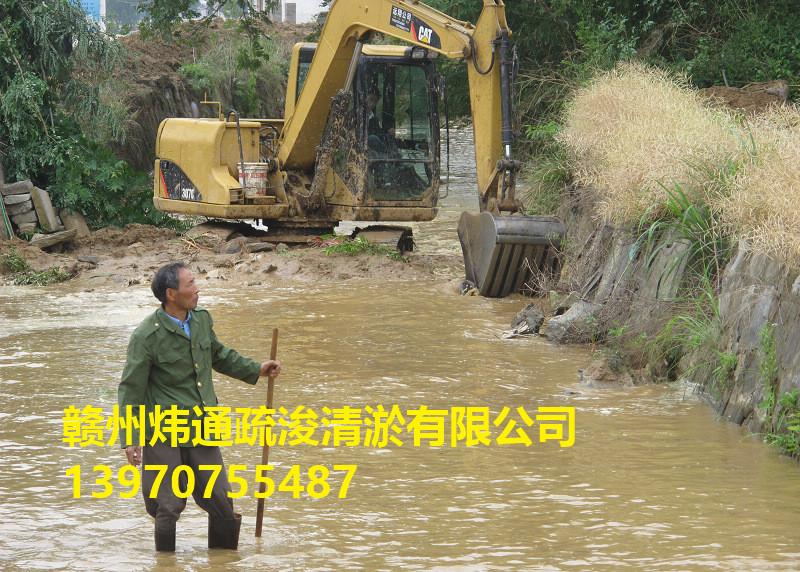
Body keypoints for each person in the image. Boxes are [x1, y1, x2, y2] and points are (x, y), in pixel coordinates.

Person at [118, 261, 281, 552]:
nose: (197, 289)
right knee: (168, 504)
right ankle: (165, 564)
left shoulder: (201, 319)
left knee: (220, 500)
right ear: (171, 294)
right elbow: (131, 390)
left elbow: (219, 355)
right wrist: (130, 439)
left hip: (202, 426)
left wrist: (257, 368)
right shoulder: (146, 336)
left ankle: (223, 563)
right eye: (190, 284)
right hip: (163, 431)